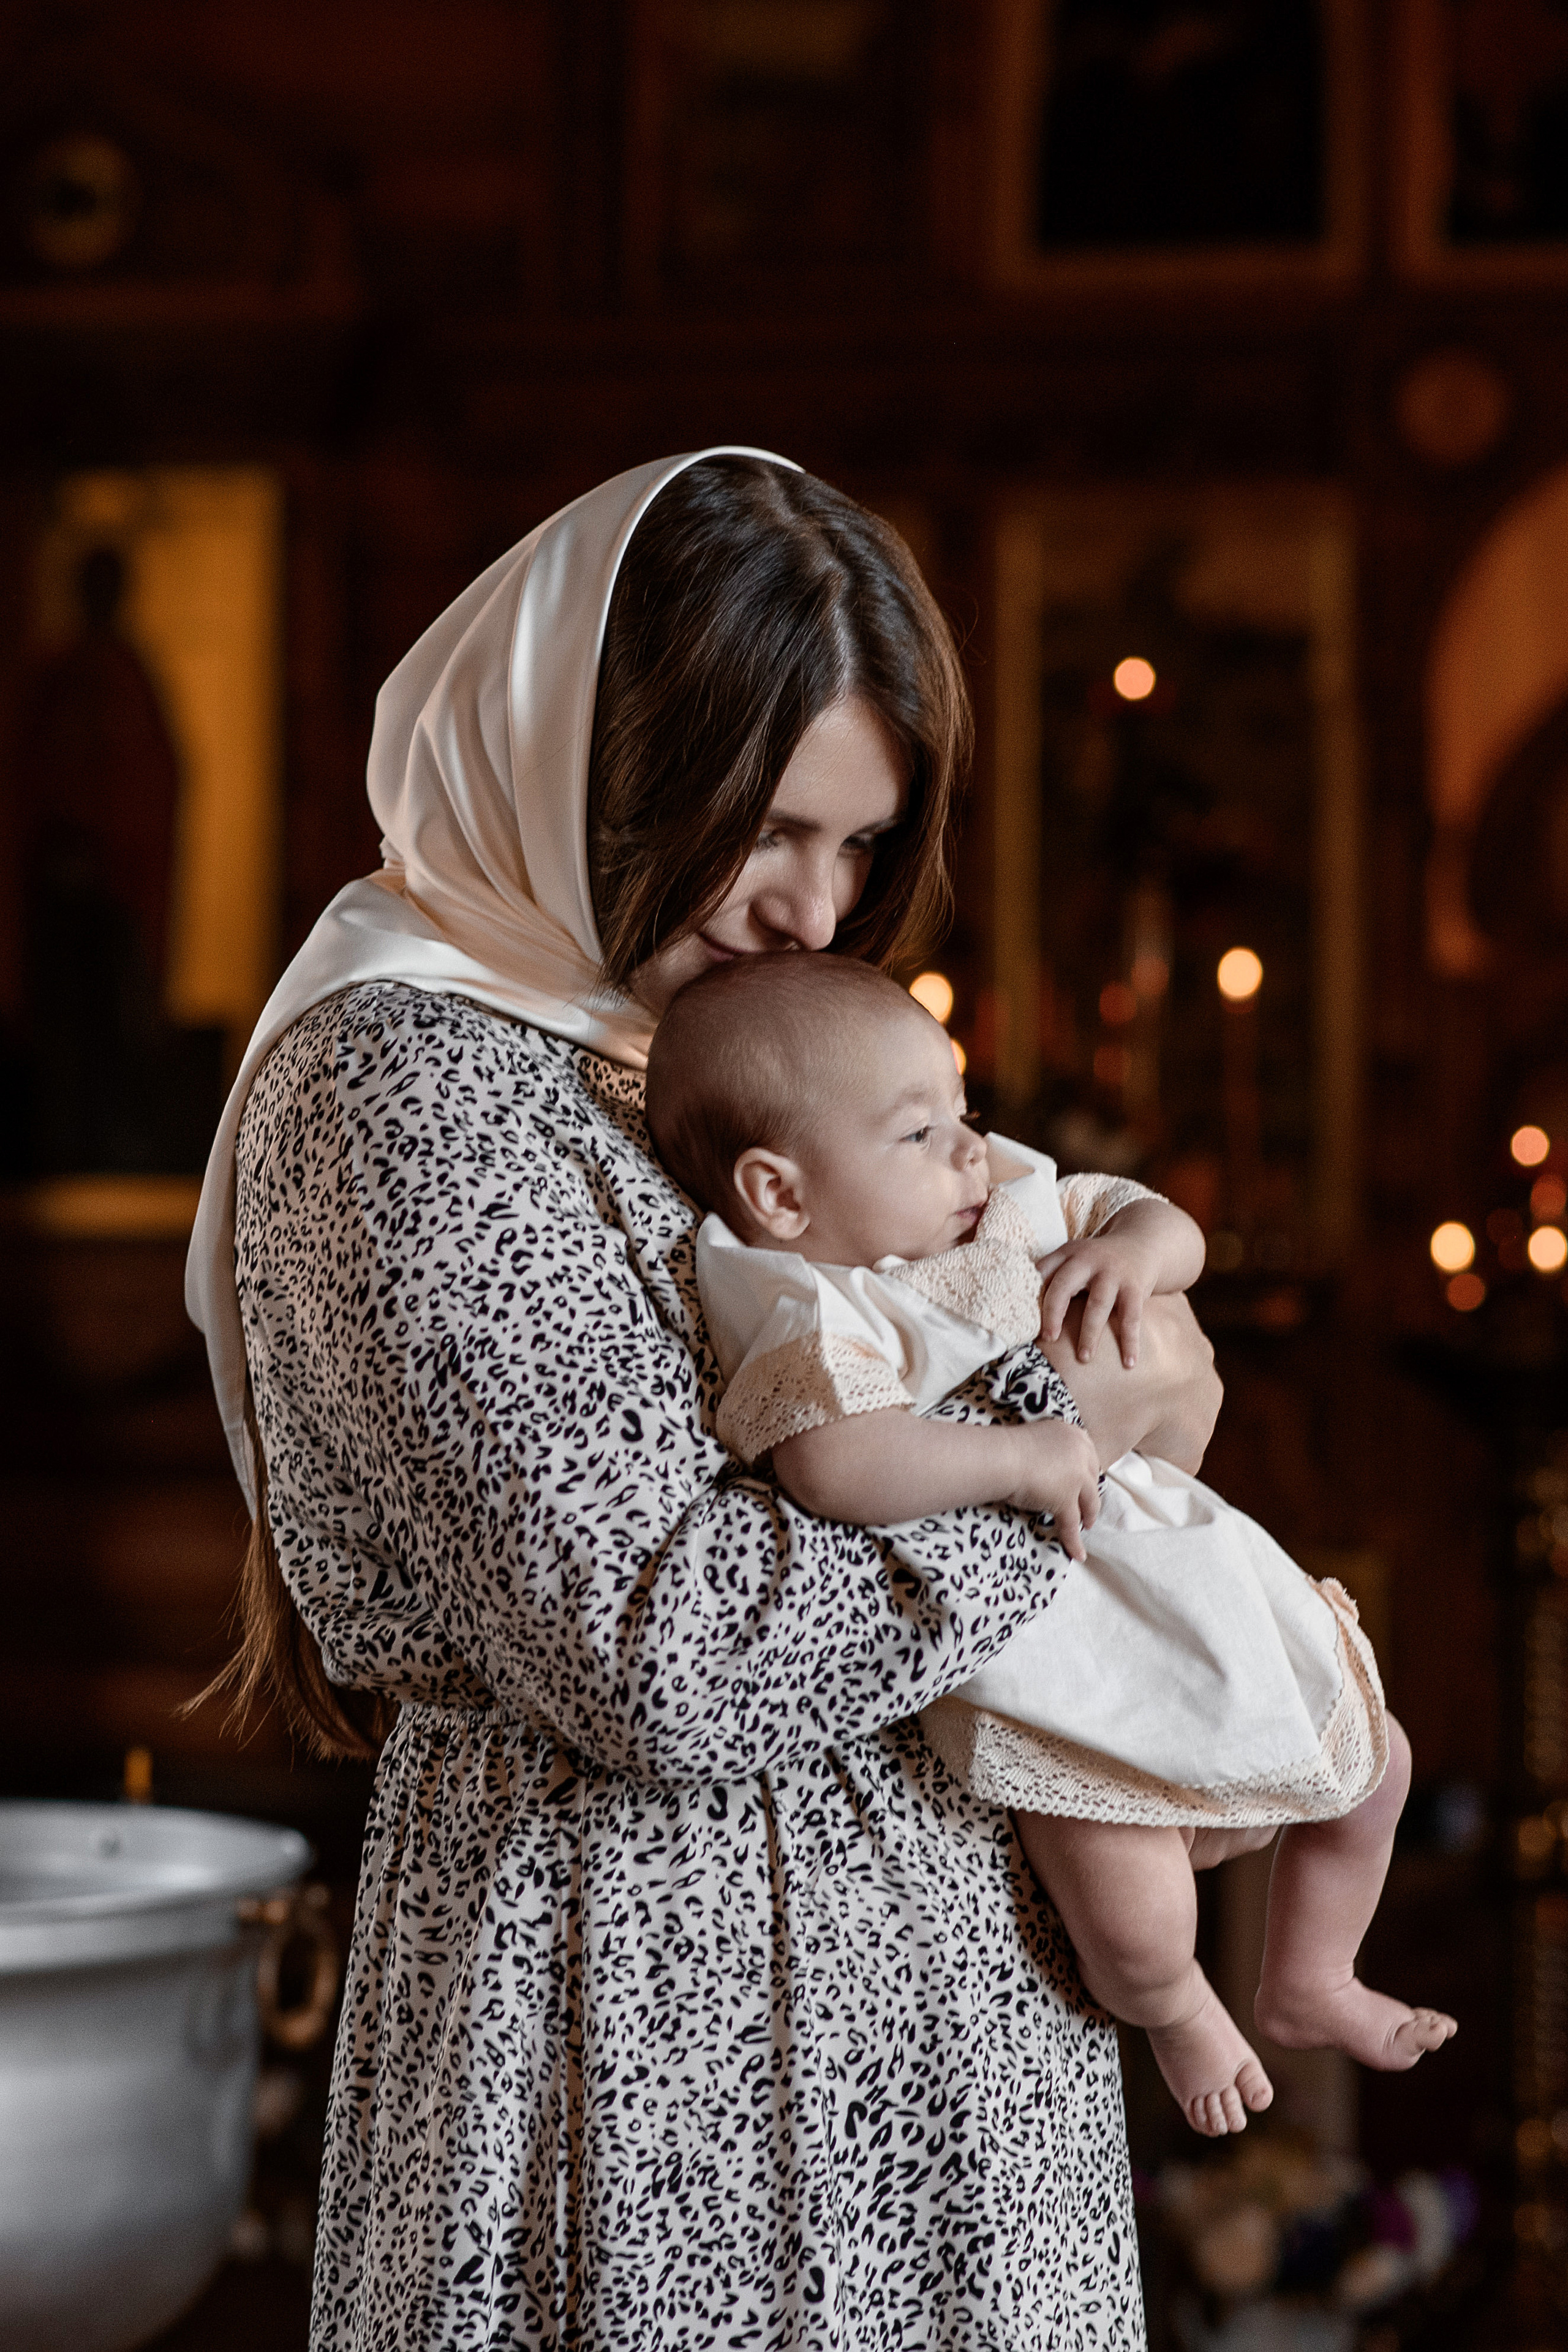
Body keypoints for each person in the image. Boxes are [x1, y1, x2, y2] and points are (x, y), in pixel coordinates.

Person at [188, 449, 1225, 2350]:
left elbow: (1101, 1367)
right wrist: (1063, 1433)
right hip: (660, 2015)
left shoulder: (716, 1052)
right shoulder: (411, 1083)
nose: (812, 910)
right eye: (768, 828)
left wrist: (1124, 1385)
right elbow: (661, 1657)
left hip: (956, 2012)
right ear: (596, 752)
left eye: (859, 846)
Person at [644, 951, 1458, 2140]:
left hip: (1173, 1558)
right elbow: (831, 1462)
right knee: (1129, 1902)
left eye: (963, 1110)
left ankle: (1310, 1974)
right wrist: (1014, 1458)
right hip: (1044, 1644)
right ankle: (1178, 2007)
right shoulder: (814, 1310)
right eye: (917, 1133)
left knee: (1374, 1760)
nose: (969, 1148)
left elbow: (1152, 1218)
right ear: (780, 1195)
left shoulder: (1010, 1202)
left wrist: (1133, 1255)